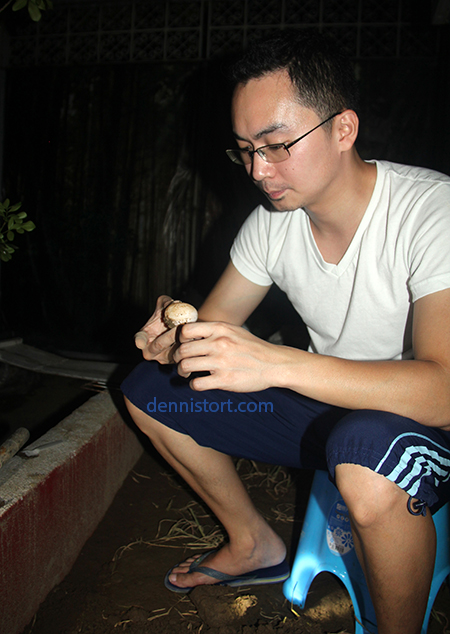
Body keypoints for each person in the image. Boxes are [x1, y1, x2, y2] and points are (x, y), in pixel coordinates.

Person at [121, 30, 450, 634]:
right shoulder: (273, 223)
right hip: (326, 409)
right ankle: (254, 545)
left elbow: (444, 392)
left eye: (275, 145)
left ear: (343, 129)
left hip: (422, 426)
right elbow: (213, 330)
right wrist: (177, 335)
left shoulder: (431, 213)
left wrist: (273, 364)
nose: (257, 170)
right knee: (150, 390)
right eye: (245, 150)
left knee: (364, 451)